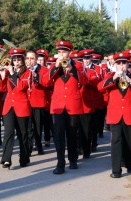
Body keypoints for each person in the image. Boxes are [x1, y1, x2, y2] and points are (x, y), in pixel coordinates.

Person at [42, 40, 88, 174]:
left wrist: (72, 70)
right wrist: (56, 67)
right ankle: (60, 163)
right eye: (59, 52)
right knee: (58, 135)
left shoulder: (78, 65)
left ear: (70, 53)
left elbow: (85, 80)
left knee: (72, 133)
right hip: (58, 106)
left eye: (64, 52)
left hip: (73, 104)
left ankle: (73, 159)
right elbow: (45, 82)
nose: (61, 55)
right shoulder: (54, 66)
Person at [97, 52, 131, 178]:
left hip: (130, 113)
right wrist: (114, 78)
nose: (122, 66)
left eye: (124, 63)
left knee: (129, 142)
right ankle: (116, 170)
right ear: (115, 65)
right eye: (119, 63)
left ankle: (129, 165)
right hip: (115, 114)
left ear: (128, 64)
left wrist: (129, 80)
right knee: (116, 141)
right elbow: (100, 87)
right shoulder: (110, 76)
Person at [0, 48, 31, 169]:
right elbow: (2, 90)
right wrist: (2, 77)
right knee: (8, 132)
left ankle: (24, 157)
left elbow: (21, 87)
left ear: (23, 60)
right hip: (8, 106)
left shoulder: (27, 73)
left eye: (19, 60)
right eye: (14, 60)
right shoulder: (9, 72)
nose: (16, 62)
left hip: (21, 105)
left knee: (22, 134)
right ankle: (6, 158)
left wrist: (12, 74)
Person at [26, 50, 49, 155]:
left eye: (32, 58)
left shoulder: (43, 70)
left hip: (38, 101)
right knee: (28, 127)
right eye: (28, 58)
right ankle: (29, 148)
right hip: (26, 102)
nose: (29, 61)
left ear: (36, 59)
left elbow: (47, 84)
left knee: (38, 127)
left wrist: (36, 76)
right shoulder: (23, 70)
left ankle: (39, 146)